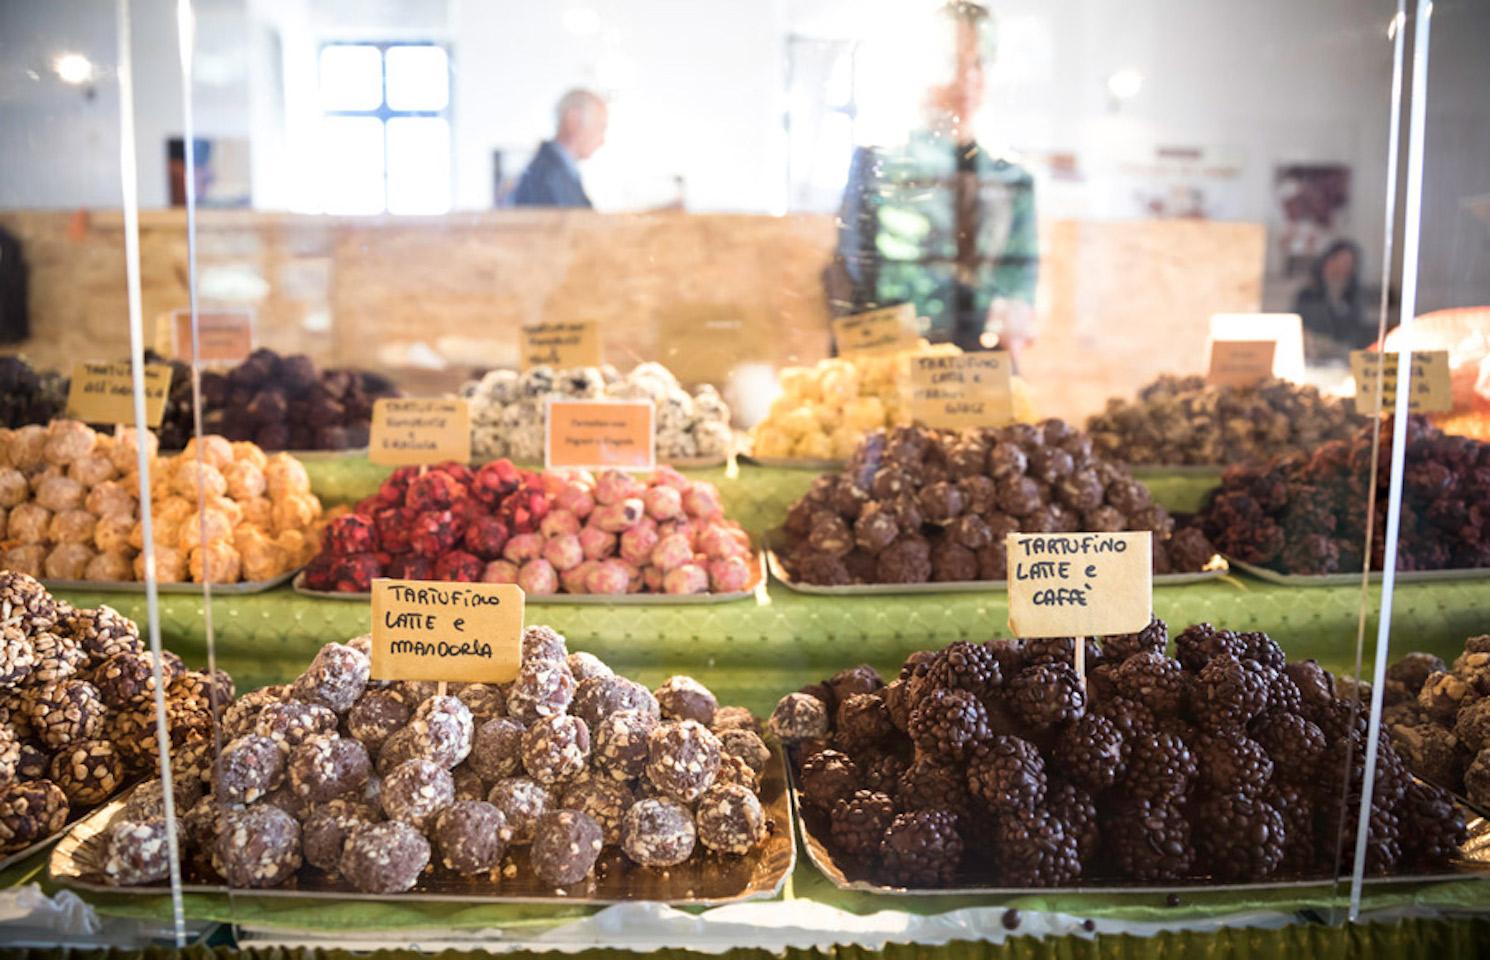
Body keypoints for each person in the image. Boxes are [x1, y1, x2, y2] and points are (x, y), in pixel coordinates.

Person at [830, 1, 1038, 362]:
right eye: (951, 62)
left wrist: (1015, 319)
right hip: (892, 364)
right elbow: (853, 276)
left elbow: (1018, 285)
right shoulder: (878, 165)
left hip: (975, 376)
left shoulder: (1011, 180)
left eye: (979, 63)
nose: (967, 77)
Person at [509, 89, 608, 208]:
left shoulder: (563, 171)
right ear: (574, 119)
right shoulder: (545, 176)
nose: (602, 141)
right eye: (600, 127)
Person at [1294, 239, 1370, 358]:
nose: (1342, 268)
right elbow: (1299, 328)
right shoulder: (1308, 295)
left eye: (1348, 263)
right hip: (1313, 355)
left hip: (1342, 356)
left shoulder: (1353, 296)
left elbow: (1355, 332)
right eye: (1340, 261)